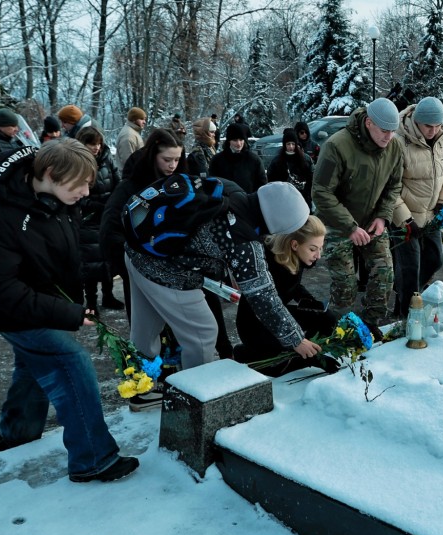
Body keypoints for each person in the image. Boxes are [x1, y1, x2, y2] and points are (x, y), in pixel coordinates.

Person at [0, 139, 139, 482]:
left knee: (33, 366)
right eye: (81, 184)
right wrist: (65, 312)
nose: (86, 192)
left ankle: (15, 434)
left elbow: (65, 239)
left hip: (42, 300)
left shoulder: (57, 195)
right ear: (51, 174)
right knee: (70, 362)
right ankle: (93, 458)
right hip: (11, 307)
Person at [125, 180, 325, 375]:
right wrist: (296, 339)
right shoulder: (243, 241)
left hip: (138, 249)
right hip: (166, 270)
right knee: (202, 333)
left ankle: (139, 389)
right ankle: (197, 398)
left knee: (145, 331)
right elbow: (263, 296)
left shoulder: (231, 190)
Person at [312, 97, 403, 329]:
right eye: (384, 130)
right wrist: (350, 227)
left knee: (384, 275)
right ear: (369, 122)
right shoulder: (337, 145)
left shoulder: (394, 147)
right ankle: (335, 331)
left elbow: (394, 186)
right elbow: (321, 192)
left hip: (372, 220)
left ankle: (370, 326)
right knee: (345, 285)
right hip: (337, 222)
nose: (389, 137)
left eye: (393, 131)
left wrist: (383, 216)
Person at [100, 128, 186, 326]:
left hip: (170, 266)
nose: (173, 165)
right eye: (167, 160)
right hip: (137, 266)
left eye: (177, 159)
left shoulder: (178, 183)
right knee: (145, 324)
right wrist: (128, 264)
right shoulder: (131, 186)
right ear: (153, 156)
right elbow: (110, 228)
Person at [233, 215, 339, 375]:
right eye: (313, 249)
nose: (319, 255)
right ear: (295, 244)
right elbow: (268, 308)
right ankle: (248, 353)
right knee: (281, 363)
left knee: (328, 320)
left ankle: (306, 348)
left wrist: (309, 301)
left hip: (279, 313)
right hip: (257, 324)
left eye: (320, 248)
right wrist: (309, 357)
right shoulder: (268, 263)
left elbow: (293, 286)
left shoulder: (296, 256)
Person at [391, 97, 443, 316]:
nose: (433, 130)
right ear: (416, 121)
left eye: (438, 125)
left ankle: (407, 294)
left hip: (431, 215)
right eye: (429, 126)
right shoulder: (399, 141)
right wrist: (405, 219)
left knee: (435, 258)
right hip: (405, 219)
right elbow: (390, 186)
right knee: (410, 267)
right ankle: (406, 315)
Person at [187, 116, 233, 359]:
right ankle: (221, 348)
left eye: (215, 131)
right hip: (205, 220)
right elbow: (203, 186)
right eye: (211, 131)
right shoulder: (197, 154)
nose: (214, 135)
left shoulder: (211, 150)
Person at [75, 126, 125, 313]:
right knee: (90, 262)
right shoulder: (78, 163)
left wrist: (114, 203)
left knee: (108, 260)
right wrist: (97, 205)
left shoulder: (107, 159)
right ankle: (92, 302)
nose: (96, 147)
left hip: (108, 215)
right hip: (89, 219)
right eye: (91, 144)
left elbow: (118, 182)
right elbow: (78, 194)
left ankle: (109, 295)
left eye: (98, 143)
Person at [209, 122, 267, 193]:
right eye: (235, 140)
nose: (239, 144)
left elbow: (262, 185)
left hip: (248, 201)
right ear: (229, 141)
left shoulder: (254, 160)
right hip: (226, 202)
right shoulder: (217, 160)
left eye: (241, 140)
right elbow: (212, 184)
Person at [266, 128, 314, 208]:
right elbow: (270, 180)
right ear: (284, 145)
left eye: (293, 144)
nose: (291, 147)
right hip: (283, 200)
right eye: (288, 144)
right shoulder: (277, 161)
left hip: (303, 199)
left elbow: (312, 179)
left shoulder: (305, 159)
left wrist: (309, 195)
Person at [115, 107, 147, 171]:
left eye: (144, 119)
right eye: (141, 119)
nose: (144, 122)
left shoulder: (133, 132)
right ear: (133, 119)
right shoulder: (128, 135)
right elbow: (128, 162)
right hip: (130, 176)